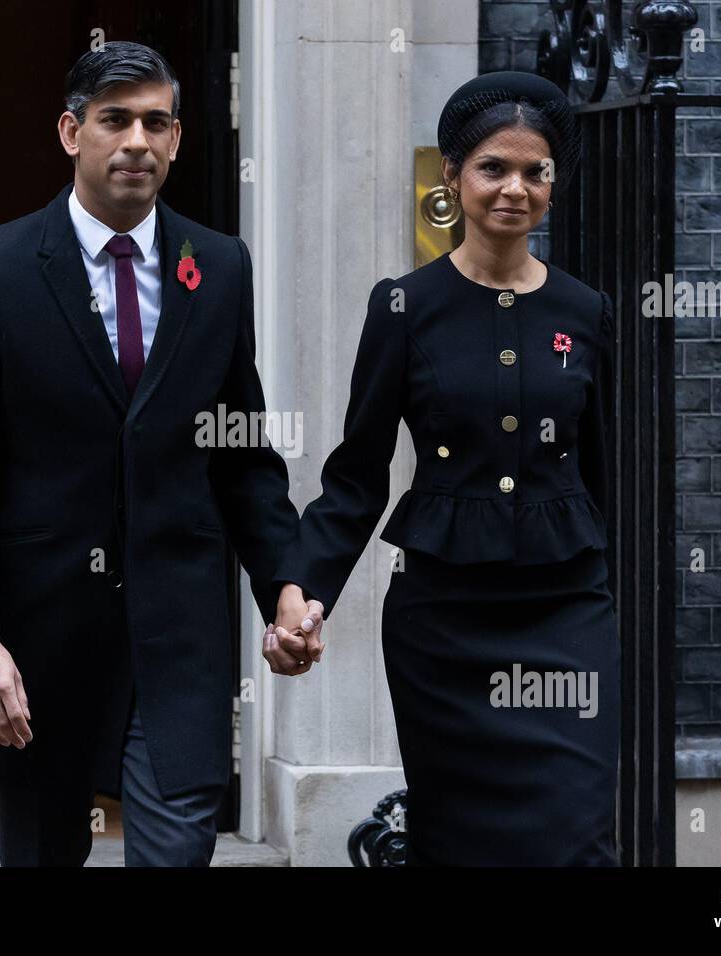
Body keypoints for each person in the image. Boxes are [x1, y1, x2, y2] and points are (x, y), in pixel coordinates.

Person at [0, 40, 310, 866]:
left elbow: (240, 451)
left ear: (176, 140)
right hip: (41, 637)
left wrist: (285, 585)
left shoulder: (222, 266)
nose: (137, 140)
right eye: (115, 120)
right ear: (72, 133)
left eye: (156, 122)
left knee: (176, 847)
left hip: (179, 632)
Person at [271, 71, 622, 866]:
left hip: (567, 613)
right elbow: (357, 474)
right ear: (453, 178)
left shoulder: (586, 311)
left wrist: (611, 605)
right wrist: (304, 587)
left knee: (576, 836)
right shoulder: (404, 306)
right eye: (494, 167)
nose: (514, 189)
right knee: (460, 843)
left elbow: (605, 477)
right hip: (444, 621)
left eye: (535, 172)